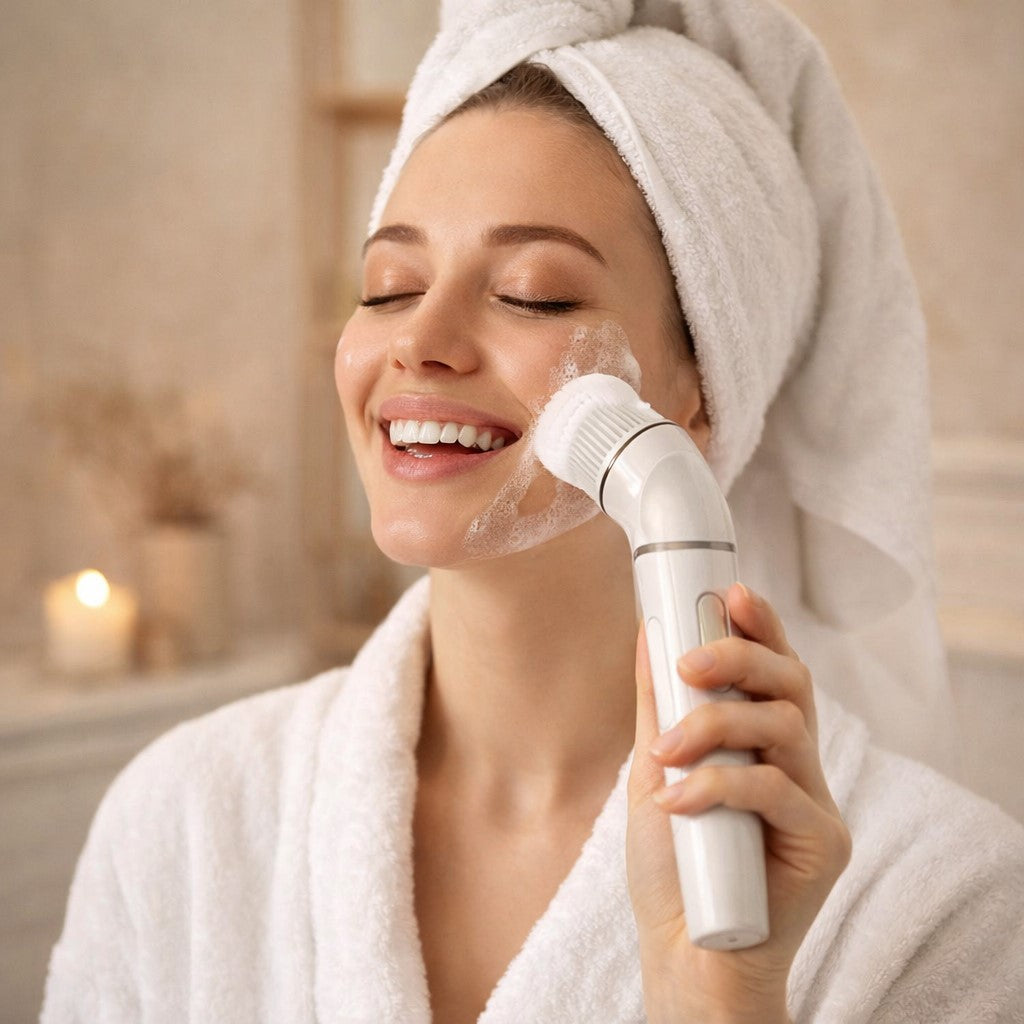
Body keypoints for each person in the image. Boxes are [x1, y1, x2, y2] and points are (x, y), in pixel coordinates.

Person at [42, 2, 1024, 1022]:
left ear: (702, 398)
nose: (417, 340)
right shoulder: (185, 819)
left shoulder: (942, 901)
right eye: (388, 286)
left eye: (533, 293)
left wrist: (722, 995)